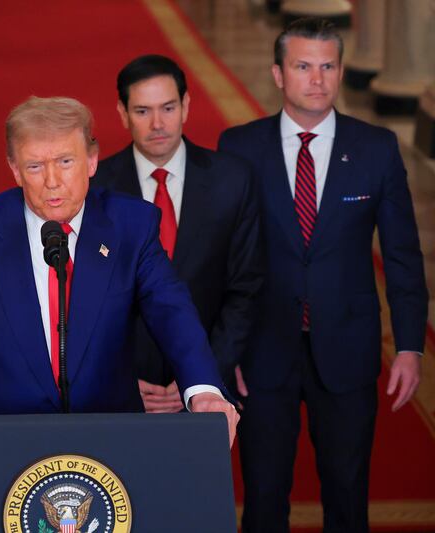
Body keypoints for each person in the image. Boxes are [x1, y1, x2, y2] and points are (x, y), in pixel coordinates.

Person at [0, 96, 239, 462]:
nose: (52, 181)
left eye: (66, 162)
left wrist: (203, 389)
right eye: (35, 166)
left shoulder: (132, 226)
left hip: (105, 446)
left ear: (91, 160)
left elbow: (172, 313)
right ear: (15, 169)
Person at [217, 18, 428, 533]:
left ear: (338, 72)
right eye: (303, 66)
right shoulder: (239, 148)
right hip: (263, 355)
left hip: (349, 350)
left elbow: (402, 254)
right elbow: (223, 259)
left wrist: (408, 346)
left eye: (328, 66)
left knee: (348, 493)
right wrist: (226, 353)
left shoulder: (376, 149)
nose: (317, 79)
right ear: (278, 74)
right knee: (264, 498)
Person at [93, 54, 262, 413]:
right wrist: (118, 380)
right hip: (123, 391)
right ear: (122, 114)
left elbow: (245, 289)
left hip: (208, 392)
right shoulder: (96, 191)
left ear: (186, 106)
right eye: (142, 111)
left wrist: (202, 378)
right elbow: (84, 300)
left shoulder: (233, 180)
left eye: (168, 108)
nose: (157, 123)